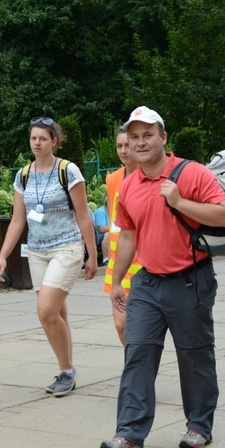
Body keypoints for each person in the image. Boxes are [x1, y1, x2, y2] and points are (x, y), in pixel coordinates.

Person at [99, 106, 225, 448]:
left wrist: (179, 201)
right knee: (137, 353)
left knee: (194, 357)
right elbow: (127, 237)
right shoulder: (128, 185)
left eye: (148, 135)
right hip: (146, 283)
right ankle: (129, 435)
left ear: (163, 137)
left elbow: (224, 214)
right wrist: (115, 282)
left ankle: (199, 426)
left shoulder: (192, 173)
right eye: (134, 136)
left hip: (190, 281)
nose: (140, 143)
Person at [0, 117, 97, 397]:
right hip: (37, 252)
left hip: (66, 247)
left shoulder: (68, 170)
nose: (37, 143)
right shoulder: (23, 175)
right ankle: (67, 369)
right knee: (56, 312)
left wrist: (92, 254)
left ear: (54, 141)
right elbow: (18, 221)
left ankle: (66, 372)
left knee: (46, 311)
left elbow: (83, 215)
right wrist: (3, 256)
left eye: (43, 138)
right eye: (33, 138)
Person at [103, 128, 142, 346]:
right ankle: (134, 369)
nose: (124, 150)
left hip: (144, 263)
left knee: (137, 326)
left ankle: (138, 373)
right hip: (119, 263)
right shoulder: (112, 179)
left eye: (127, 145)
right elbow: (113, 222)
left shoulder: (149, 176)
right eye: (119, 146)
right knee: (121, 325)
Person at [92, 197, 109, 265]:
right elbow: (102, 229)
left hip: (113, 233)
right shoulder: (100, 212)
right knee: (108, 235)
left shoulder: (115, 212)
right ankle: (106, 260)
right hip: (98, 236)